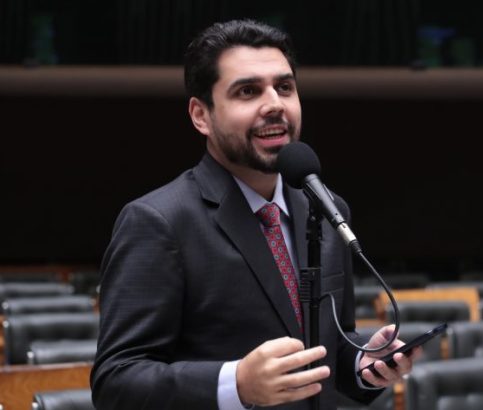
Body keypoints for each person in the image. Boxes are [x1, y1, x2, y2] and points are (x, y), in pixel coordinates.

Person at [91, 19, 415, 409]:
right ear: (201, 115)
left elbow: (325, 350)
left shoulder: (326, 208)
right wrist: (236, 384)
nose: (274, 104)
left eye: (284, 87)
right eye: (248, 91)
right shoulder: (158, 222)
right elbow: (116, 382)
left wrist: (362, 363)